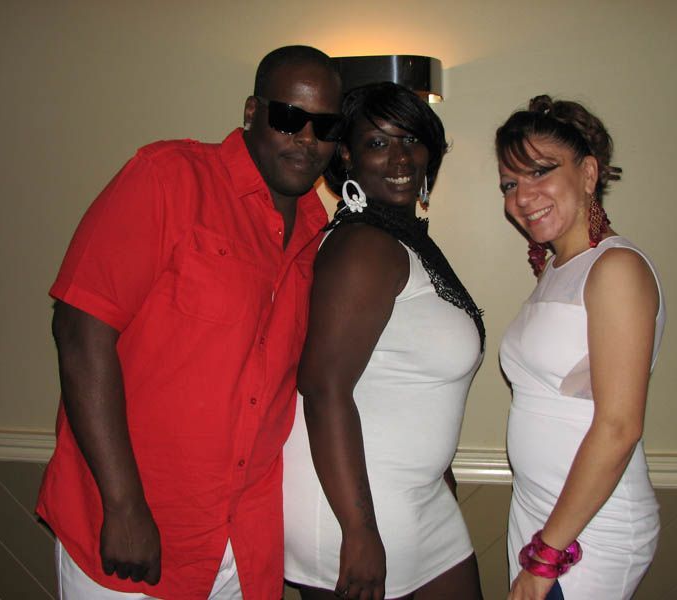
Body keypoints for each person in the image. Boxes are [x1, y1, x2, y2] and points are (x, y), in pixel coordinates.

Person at [35, 45, 343, 599]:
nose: (306, 138)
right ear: (252, 112)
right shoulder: (169, 178)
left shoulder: (315, 234)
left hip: (243, 547)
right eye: (289, 117)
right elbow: (80, 334)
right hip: (131, 535)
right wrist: (124, 503)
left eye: (325, 126)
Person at [283, 82, 486, 600]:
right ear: (346, 153)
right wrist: (359, 531)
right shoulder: (363, 246)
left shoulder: (400, 237)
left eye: (411, 140)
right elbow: (324, 389)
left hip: (416, 498)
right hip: (356, 508)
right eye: (378, 143)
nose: (400, 157)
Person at [496, 95, 665, 600]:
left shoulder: (616, 269)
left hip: (587, 529)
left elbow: (619, 427)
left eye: (541, 172)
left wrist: (547, 554)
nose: (523, 196)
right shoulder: (557, 268)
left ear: (588, 174)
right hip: (540, 512)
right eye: (510, 183)